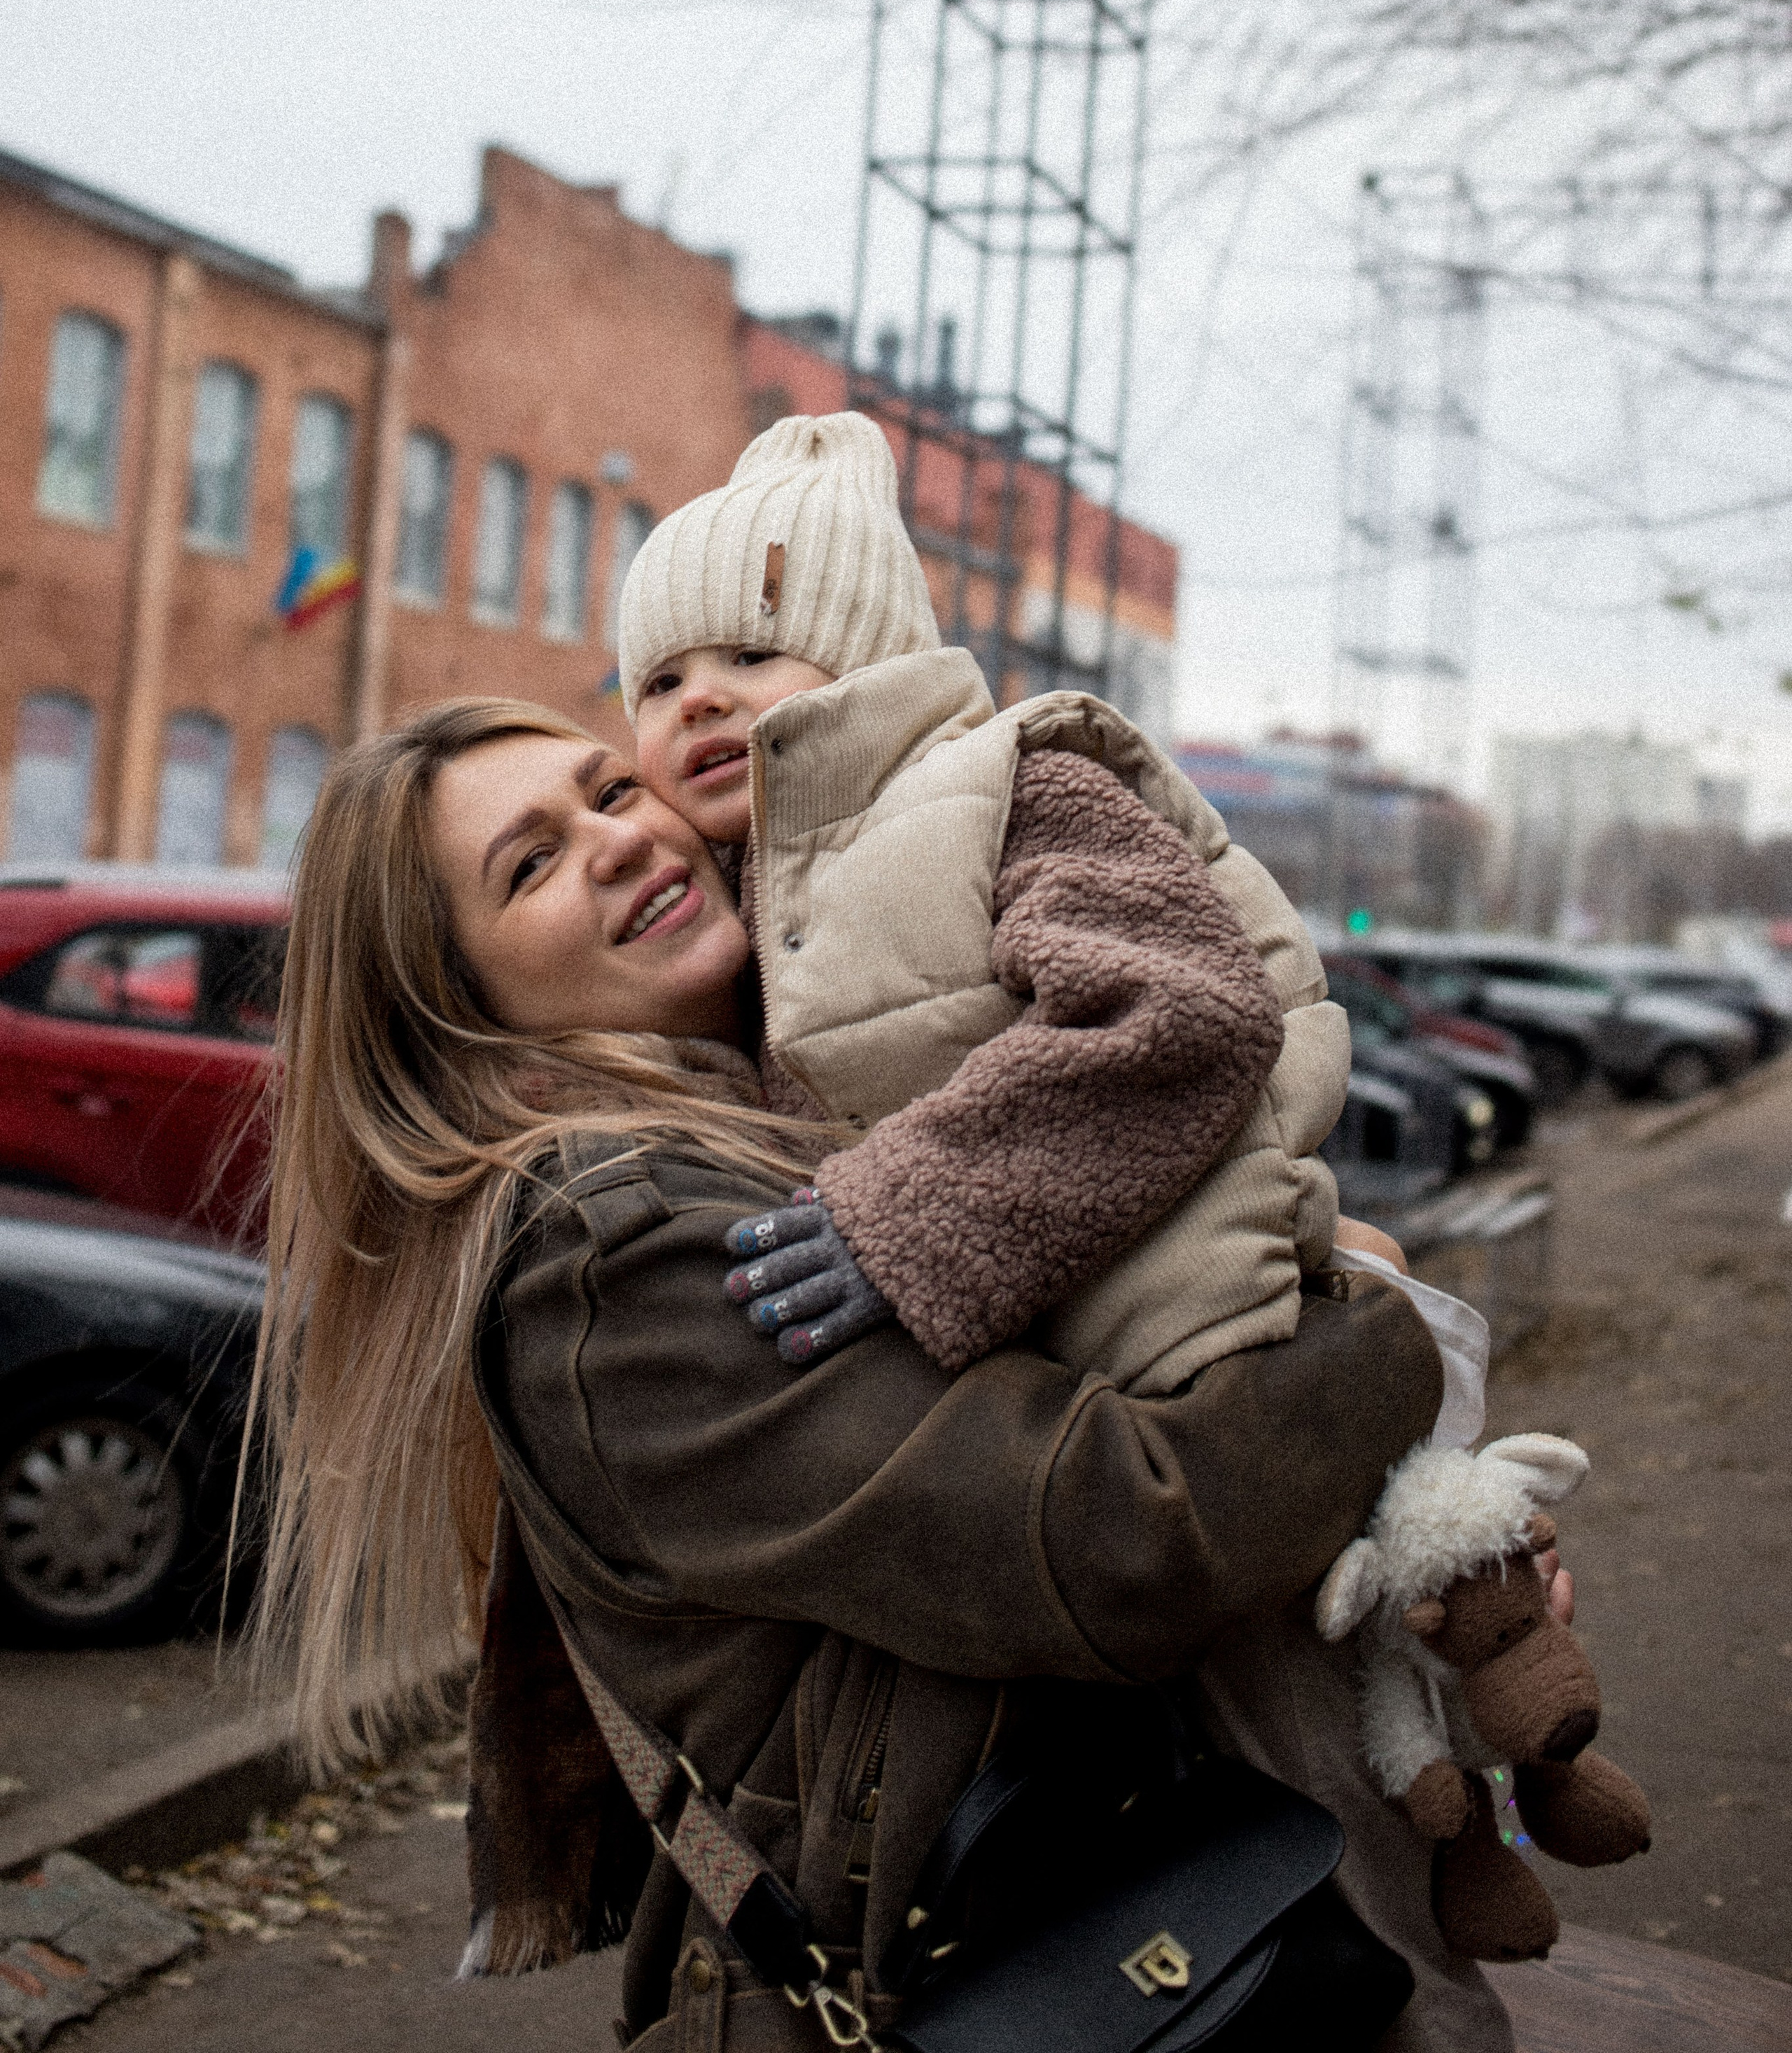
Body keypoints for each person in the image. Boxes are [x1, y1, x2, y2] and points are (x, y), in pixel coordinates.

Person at [251, 696, 1490, 2053]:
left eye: (610, 791)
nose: (614, 841)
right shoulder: (614, 1252)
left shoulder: (793, 1124)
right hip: (957, 1980)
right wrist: (1377, 1319)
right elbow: (1119, 1532)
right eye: (528, 865)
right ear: (458, 1010)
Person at [620, 410, 1403, 1383]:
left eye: (749, 657)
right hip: (1010, 1384)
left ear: (871, 663)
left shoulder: (1009, 792)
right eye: (658, 681)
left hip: (1193, 1330)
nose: (697, 697)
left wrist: (906, 1227)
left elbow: (1181, 1011)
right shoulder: (732, 906)